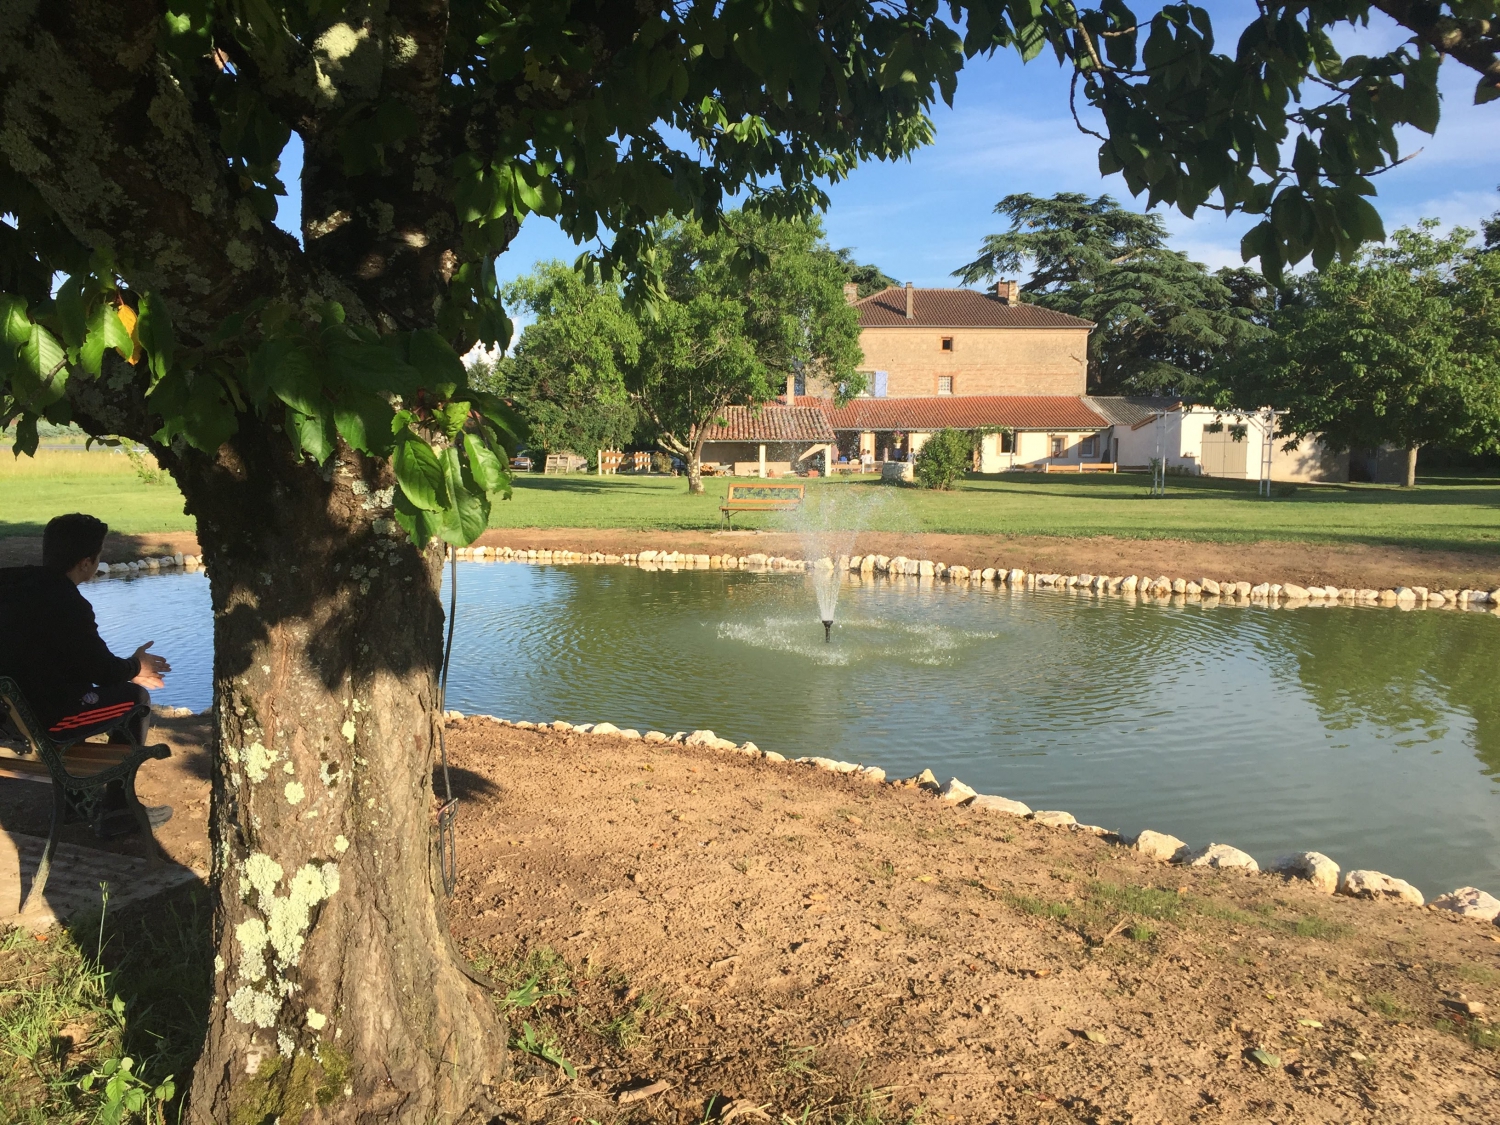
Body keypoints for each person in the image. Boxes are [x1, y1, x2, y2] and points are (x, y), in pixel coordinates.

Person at [0, 513, 172, 830]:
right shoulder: (66, 602)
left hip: (8, 721)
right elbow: (103, 671)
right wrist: (136, 666)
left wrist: (125, 669)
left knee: (88, 695)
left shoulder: (10, 586)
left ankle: (76, 801)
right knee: (136, 699)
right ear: (86, 563)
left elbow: (84, 664)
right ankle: (119, 812)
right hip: (44, 721)